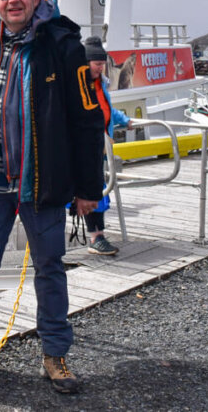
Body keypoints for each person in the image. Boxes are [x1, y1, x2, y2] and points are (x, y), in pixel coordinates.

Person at [0, 0, 104, 395]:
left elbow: (88, 121)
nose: (13, 0)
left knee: (50, 269)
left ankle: (55, 354)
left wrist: (89, 189)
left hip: (43, 184)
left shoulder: (63, 44)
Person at [80, 36, 131, 256]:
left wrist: (124, 120)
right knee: (92, 191)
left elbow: (107, 108)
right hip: (86, 147)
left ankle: (97, 234)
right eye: (97, 64)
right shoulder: (79, 85)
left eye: (102, 64)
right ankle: (96, 237)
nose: (101, 68)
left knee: (99, 191)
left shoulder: (101, 84)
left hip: (100, 147)